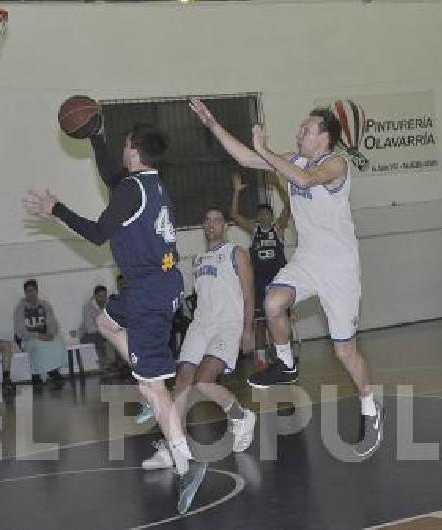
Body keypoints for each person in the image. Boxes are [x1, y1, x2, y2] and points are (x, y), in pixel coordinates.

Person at [23, 121, 206, 515]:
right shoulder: (150, 184)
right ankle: (147, 382)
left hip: (148, 295)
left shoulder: (130, 190)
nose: (122, 150)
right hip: (154, 286)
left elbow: (95, 234)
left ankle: (186, 463)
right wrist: (95, 135)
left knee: (156, 389)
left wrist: (56, 209)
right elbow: (112, 176)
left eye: (124, 145)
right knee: (106, 322)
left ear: (135, 151)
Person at [190, 99, 383, 458]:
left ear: (324, 138)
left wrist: (266, 152)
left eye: (306, 129)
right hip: (309, 258)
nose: (298, 133)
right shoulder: (293, 160)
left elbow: (306, 180)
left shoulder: (335, 163)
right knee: (273, 301)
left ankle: (370, 408)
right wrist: (213, 124)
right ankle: (287, 363)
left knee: (345, 351)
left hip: (340, 268)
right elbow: (247, 159)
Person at [140, 206, 257, 470]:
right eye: (207, 220)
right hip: (201, 325)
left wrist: (248, 330)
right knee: (181, 381)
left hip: (227, 325)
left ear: (224, 226)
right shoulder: (198, 260)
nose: (211, 224)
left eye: (216, 220)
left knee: (204, 382)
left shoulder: (236, 253)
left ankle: (240, 416)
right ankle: (173, 445)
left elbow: (249, 294)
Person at [230, 171, 290, 367]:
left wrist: (279, 185)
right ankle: (262, 360)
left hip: (278, 283)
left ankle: (284, 356)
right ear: (257, 217)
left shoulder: (278, 229)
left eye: (268, 214)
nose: (264, 216)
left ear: (272, 216)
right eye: (261, 214)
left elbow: (289, 206)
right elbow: (233, 215)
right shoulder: (254, 230)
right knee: (260, 323)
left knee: (280, 319)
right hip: (259, 283)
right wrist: (237, 192)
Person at [13, 279, 67, 391]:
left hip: (45, 334)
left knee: (58, 343)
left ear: (37, 291)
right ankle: (37, 375)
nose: (30, 294)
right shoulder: (20, 309)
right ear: (25, 293)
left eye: (32, 290)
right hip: (29, 337)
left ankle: (53, 370)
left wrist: (51, 333)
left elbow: (52, 322)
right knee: (38, 347)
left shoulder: (45, 305)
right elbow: (20, 330)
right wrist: (38, 335)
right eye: (28, 291)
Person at [80, 285, 120, 375]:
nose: (102, 298)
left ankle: (118, 364)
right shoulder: (88, 307)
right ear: (95, 296)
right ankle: (106, 365)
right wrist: (106, 331)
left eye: (104, 295)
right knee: (98, 337)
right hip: (87, 334)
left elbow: (115, 320)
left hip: (106, 332)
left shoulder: (110, 305)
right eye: (100, 296)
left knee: (119, 335)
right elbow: (90, 327)